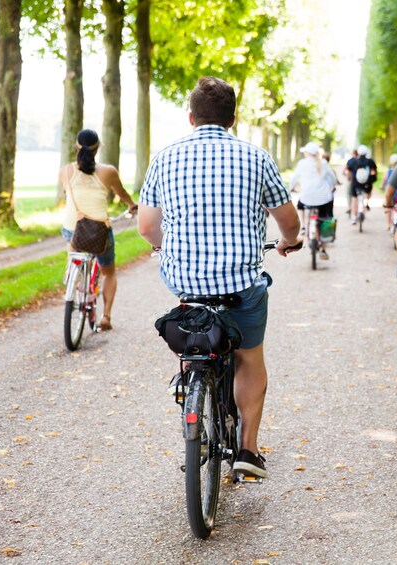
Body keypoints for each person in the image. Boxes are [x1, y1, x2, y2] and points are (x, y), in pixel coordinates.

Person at [137, 76, 302, 479]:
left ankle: (194, 378)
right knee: (249, 357)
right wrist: (288, 241)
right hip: (239, 284)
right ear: (234, 118)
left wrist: (162, 246)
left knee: (194, 327)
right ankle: (248, 449)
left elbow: (146, 226)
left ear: (190, 117)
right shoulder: (256, 157)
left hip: (186, 281)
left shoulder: (164, 157)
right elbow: (288, 221)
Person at [59, 128, 138, 332]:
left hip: (73, 229)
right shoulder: (108, 171)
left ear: (77, 146)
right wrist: (132, 205)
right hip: (99, 231)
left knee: (74, 247)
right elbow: (122, 194)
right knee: (109, 272)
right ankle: (106, 317)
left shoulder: (66, 171)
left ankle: (75, 280)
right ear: (98, 148)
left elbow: (65, 193)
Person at [290, 141, 337, 260]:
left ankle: (303, 226)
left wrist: (291, 188)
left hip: (306, 198)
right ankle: (323, 249)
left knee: (300, 204)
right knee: (324, 220)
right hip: (324, 199)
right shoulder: (324, 163)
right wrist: (332, 188)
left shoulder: (302, 163)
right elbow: (332, 178)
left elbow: (294, 178)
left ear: (307, 153)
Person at [345, 144, 377, 225]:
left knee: (354, 199)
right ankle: (367, 203)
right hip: (367, 184)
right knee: (368, 192)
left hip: (355, 184)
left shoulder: (353, 161)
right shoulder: (370, 161)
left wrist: (349, 178)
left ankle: (353, 217)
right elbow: (374, 171)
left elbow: (348, 171)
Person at [381, 153, 397, 231]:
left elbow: (383, 181)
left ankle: (388, 224)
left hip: (391, 196)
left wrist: (382, 186)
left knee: (387, 206)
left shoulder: (388, 171)